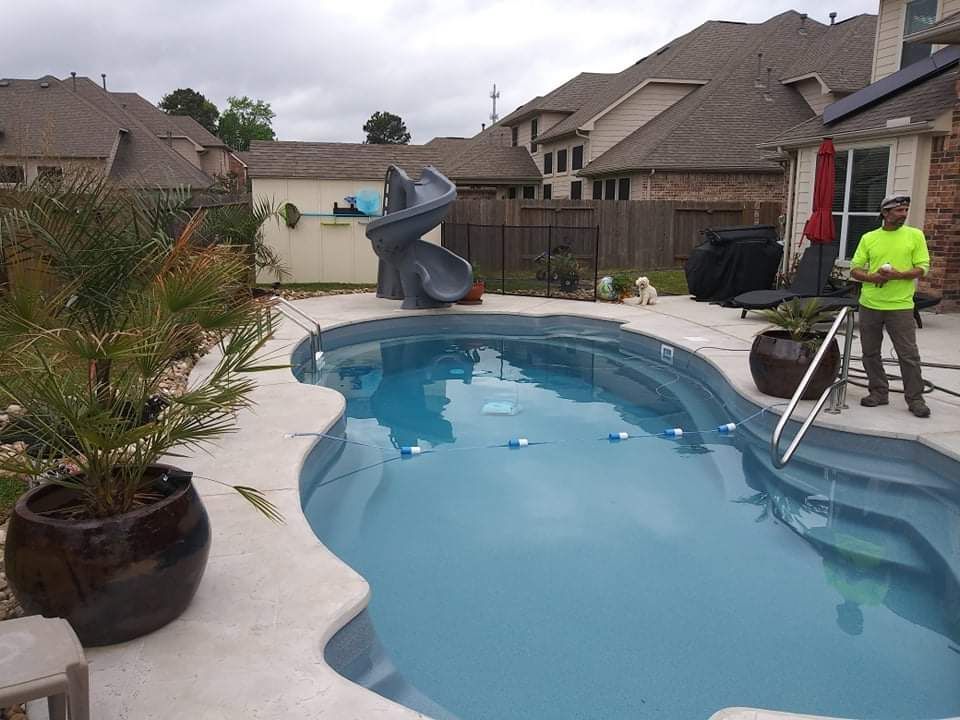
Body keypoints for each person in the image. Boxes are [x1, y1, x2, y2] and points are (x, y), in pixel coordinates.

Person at [849, 194, 931, 418]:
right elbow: (855, 269)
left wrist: (899, 275)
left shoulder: (915, 236)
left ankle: (915, 399)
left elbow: (923, 267)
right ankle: (878, 392)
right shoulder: (869, 238)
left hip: (901, 306)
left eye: (905, 210)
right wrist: (872, 278)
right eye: (899, 211)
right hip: (870, 304)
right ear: (885, 213)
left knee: (908, 355)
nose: (904, 214)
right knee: (870, 353)